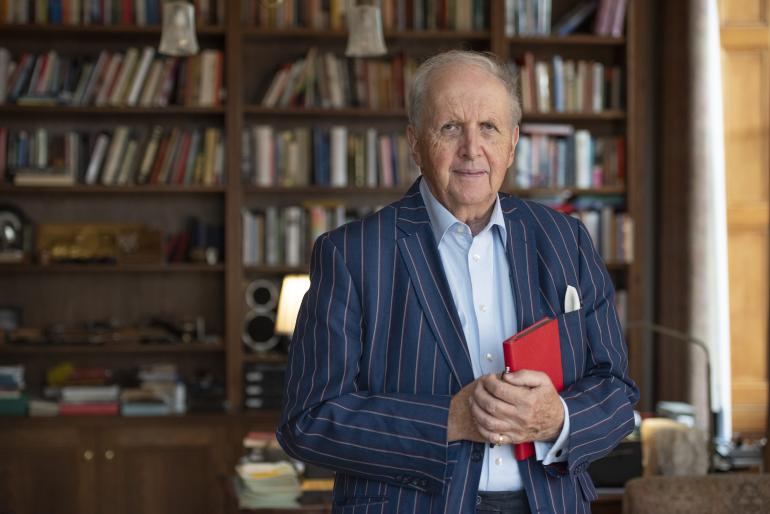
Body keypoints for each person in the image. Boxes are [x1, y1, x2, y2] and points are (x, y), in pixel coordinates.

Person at [277, 50, 639, 514]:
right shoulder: (351, 254)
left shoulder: (565, 239)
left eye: (488, 127)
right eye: (450, 127)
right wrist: (450, 420)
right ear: (414, 142)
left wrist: (559, 418)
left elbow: (616, 389)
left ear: (512, 143)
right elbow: (307, 421)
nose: (472, 148)